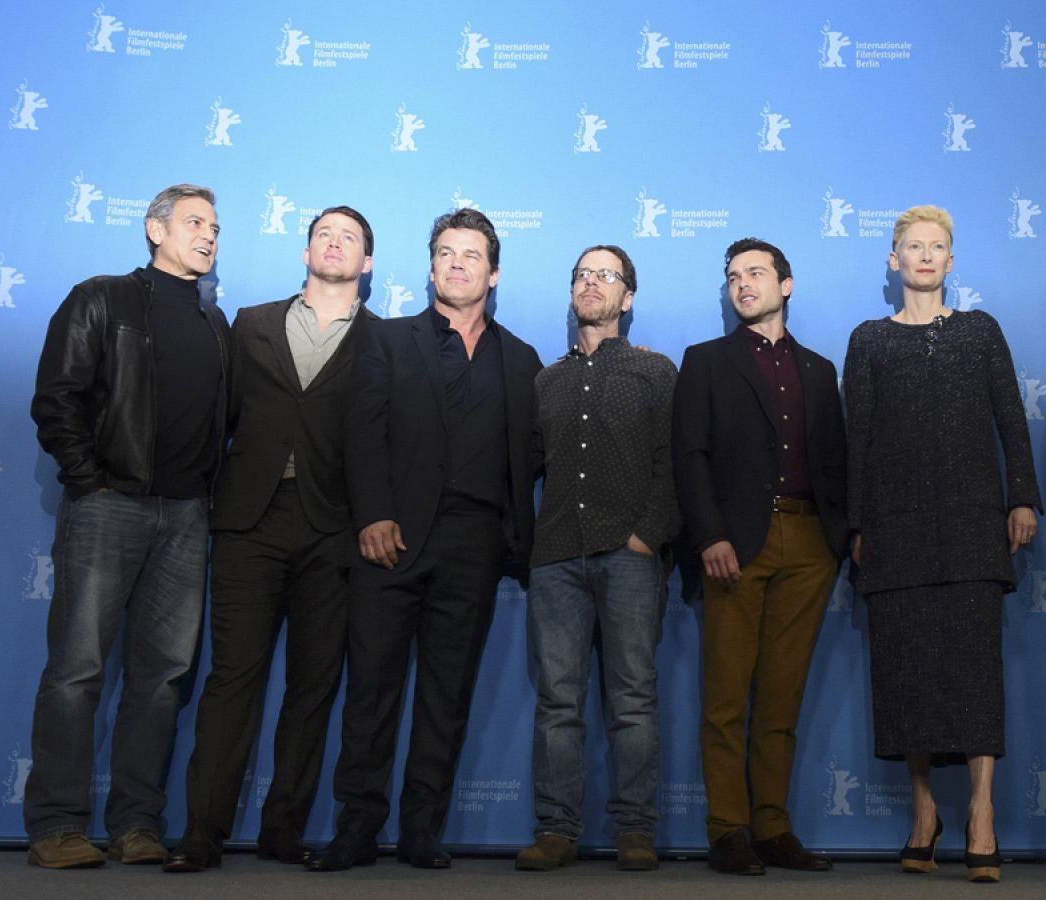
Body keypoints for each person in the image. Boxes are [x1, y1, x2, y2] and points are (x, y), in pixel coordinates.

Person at [306, 207, 542, 872]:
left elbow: (535, 449)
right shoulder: (388, 341)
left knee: (447, 695)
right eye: (446, 252)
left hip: (475, 547)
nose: (458, 263)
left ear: (493, 273)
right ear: (431, 264)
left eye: (471, 254)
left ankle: (420, 829)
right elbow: (361, 434)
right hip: (393, 539)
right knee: (372, 691)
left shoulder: (521, 359)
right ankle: (356, 828)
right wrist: (373, 514)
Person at [165, 207, 379, 873]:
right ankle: (201, 834)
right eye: (324, 233)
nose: (334, 243)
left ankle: (282, 830)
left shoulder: (385, 341)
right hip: (247, 523)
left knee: (314, 688)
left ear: (367, 263)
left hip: (334, 528)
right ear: (305, 248)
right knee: (232, 680)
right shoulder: (250, 323)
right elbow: (215, 420)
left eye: (349, 237)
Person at [24, 184, 229, 868]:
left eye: (215, 226)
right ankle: (57, 827)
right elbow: (57, 397)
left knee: (163, 677)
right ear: (154, 228)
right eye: (195, 221)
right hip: (109, 507)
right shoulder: (101, 297)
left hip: (186, 517)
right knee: (77, 670)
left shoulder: (214, 322)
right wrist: (91, 480)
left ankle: (137, 824)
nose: (208, 235)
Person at [842, 205, 1040, 883]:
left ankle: (981, 815)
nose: (924, 256)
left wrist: (1022, 497)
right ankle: (924, 812)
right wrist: (858, 526)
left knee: (974, 672)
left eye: (937, 247)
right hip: (894, 532)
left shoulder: (981, 332)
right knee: (907, 675)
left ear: (951, 263)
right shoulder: (867, 340)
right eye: (912, 247)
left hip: (972, 527)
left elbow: (1010, 418)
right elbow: (856, 441)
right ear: (893, 262)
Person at [671, 238, 847, 876]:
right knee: (725, 698)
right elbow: (688, 456)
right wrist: (710, 535)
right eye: (732, 277)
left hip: (809, 546)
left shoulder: (823, 370)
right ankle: (728, 830)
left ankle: (773, 827)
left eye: (755, 273)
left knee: (782, 697)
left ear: (787, 284)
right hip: (732, 546)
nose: (742, 284)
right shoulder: (706, 361)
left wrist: (841, 537)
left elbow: (836, 462)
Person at [515, 245, 679, 873]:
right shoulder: (545, 380)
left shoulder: (656, 372)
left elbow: (674, 461)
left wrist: (648, 534)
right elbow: (523, 468)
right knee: (558, 702)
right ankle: (557, 830)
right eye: (582, 275)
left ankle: (634, 831)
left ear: (627, 298)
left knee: (632, 699)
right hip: (555, 557)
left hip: (630, 556)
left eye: (605, 276)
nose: (591, 283)